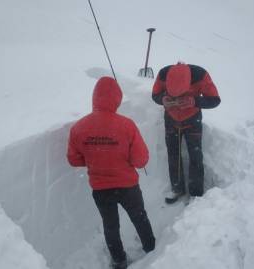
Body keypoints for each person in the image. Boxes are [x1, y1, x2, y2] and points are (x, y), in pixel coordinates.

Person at [67, 76, 155, 269]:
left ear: (94, 98)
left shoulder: (79, 128)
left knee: (110, 226)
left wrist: (93, 160)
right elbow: (140, 160)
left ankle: (118, 260)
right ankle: (152, 249)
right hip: (128, 186)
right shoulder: (127, 125)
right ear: (117, 98)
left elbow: (73, 159)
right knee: (139, 217)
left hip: (100, 189)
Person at [152, 62, 221, 203]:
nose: (178, 98)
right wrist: (163, 99)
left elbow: (215, 100)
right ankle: (177, 189)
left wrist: (194, 101)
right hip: (171, 119)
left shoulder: (200, 75)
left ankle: (196, 195)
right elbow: (155, 95)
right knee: (173, 154)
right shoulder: (163, 74)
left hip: (192, 119)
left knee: (195, 156)